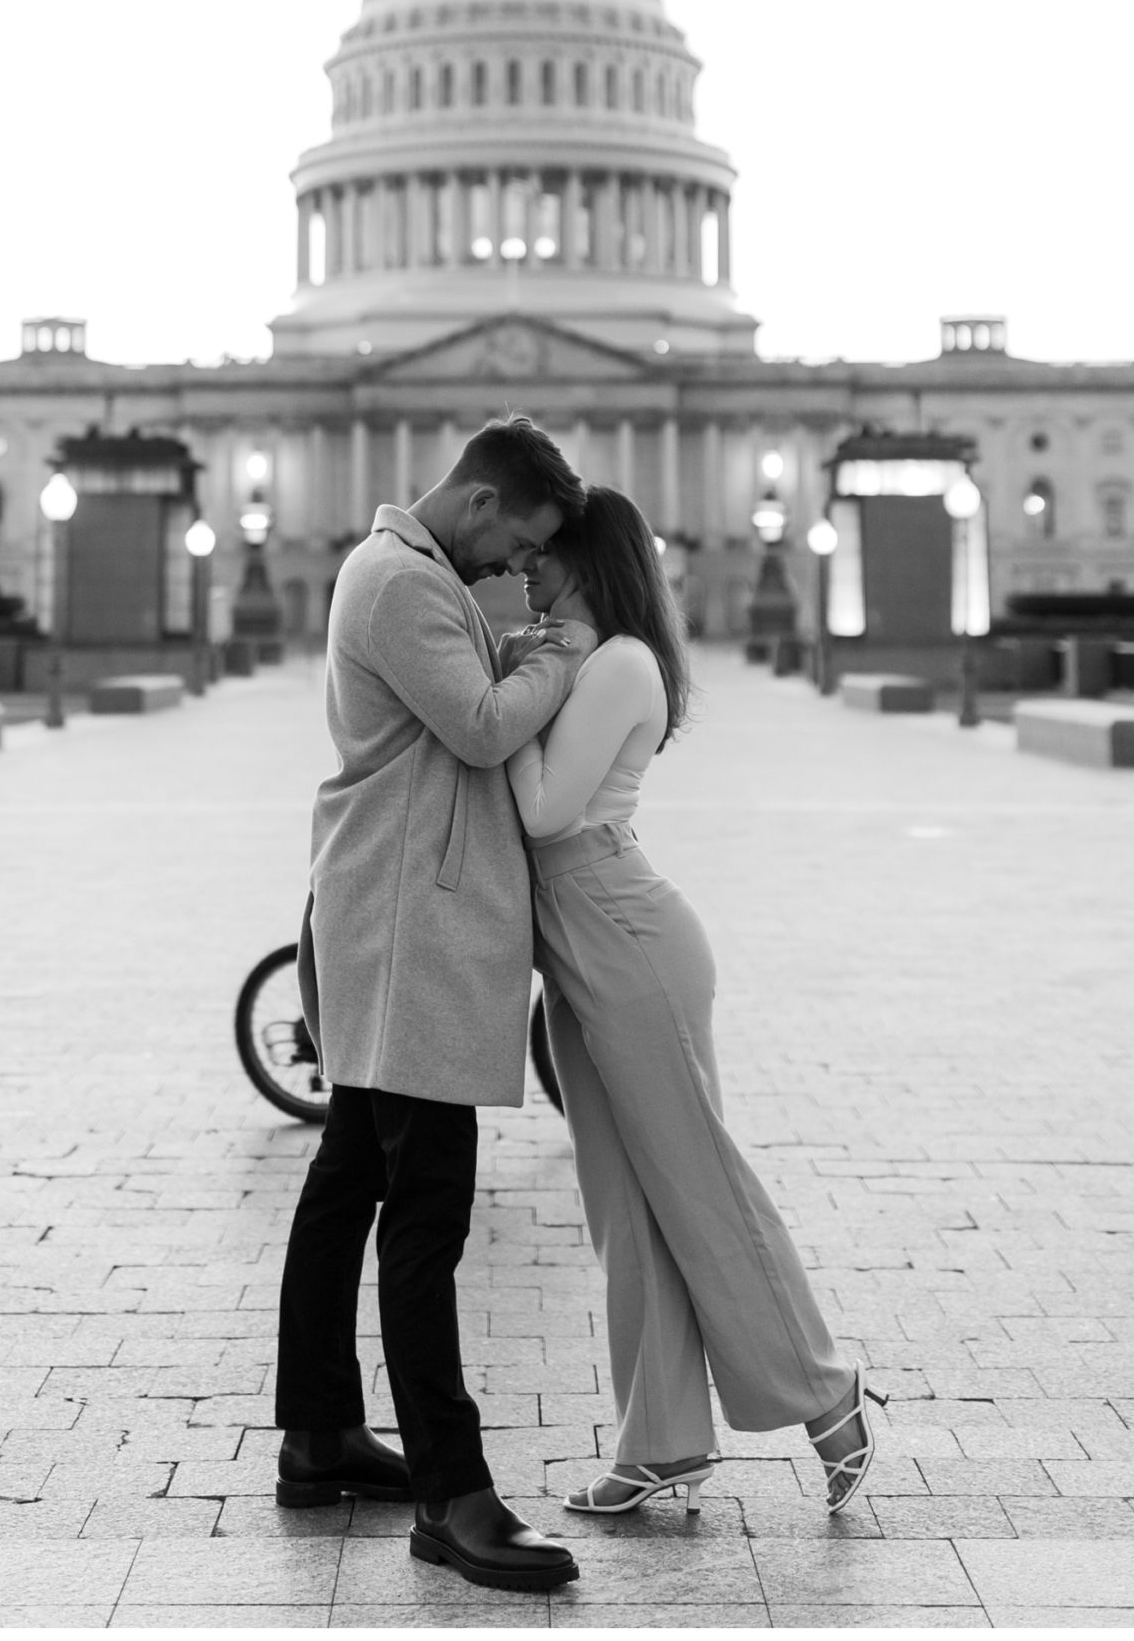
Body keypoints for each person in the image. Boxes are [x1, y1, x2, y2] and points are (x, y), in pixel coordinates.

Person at [503, 487, 887, 1520]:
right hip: (574, 949)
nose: (523, 568)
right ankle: (662, 1439)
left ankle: (823, 1388)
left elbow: (541, 812)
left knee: (697, 1180)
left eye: (541, 554)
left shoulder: (616, 659)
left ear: (588, 557)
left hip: (624, 933)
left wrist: (522, 679)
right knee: (622, 1204)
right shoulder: (570, 654)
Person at [273, 414, 587, 1595]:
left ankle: (315, 1432)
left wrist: (508, 641)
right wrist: (559, 646)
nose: (517, 570)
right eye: (520, 547)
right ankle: (453, 1497)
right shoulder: (403, 583)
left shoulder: (398, 571)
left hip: (395, 904)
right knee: (426, 1213)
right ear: (482, 502)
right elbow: (481, 723)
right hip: (414, 923)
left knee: (347, 1176)